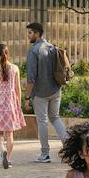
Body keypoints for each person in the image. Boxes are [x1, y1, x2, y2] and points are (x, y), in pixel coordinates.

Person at [23, 22, 69, 161]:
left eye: (30, 33)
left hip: (41, 93)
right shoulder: (52, 47)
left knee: (42, 121)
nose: (28, 35)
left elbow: (31, 78)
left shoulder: (33, 50)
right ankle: (68, 146)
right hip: (56, 89)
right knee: (55, 117)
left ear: (37, 34)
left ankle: (45, 154)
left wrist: (27, 98)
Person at [0, 42, 24, 169]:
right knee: (9, 134)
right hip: (11, 103)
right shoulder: (15, 68)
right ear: (8, 53)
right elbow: (18, 88)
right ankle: (8, 158)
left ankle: (2, 151)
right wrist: (19, 103)